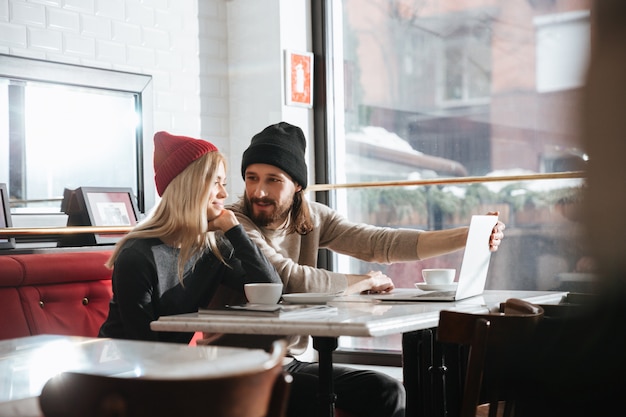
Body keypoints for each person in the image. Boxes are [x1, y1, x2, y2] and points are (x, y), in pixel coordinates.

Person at [227, 121, 506, 417]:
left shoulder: (313, 218)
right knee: (321, 402)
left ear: (297, 185)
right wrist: (360, 281)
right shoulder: (234, 222)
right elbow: (290, 280)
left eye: (273, 180)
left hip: (290, 360)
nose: (258, 191)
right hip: (239, 363)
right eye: (251, 177)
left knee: (387, 391)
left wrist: (467, 235)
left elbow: (379, 242)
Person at [98, 131, 281, 344]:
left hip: (171, 365)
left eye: (225, 184)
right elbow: (143, 345)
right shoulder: (138, 256)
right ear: (189, 187)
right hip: (121, 369)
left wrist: (235, 230)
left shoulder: (214, 249)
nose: (224, 194)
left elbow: (270, 289)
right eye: (216, 182)